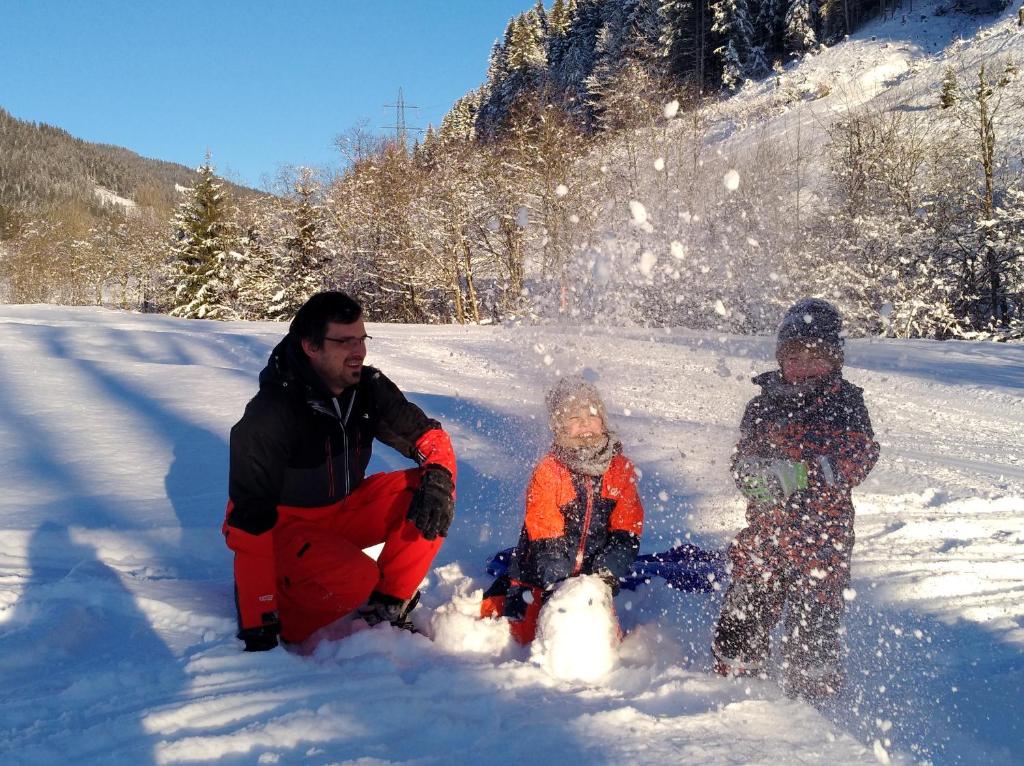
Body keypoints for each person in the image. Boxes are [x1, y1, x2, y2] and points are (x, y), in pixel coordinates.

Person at [223, 291, 457, 651]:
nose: (358, 351)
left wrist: (439, 473)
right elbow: (248, 523)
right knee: (357, 578)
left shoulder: (368, 387)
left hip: (343, 511)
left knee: (434, 487)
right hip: (283, 527)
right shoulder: (272, 413)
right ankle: (290, 619)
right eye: (345, 341)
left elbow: (429, 436)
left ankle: (387, 606)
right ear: (311, 347)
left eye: (361, 339)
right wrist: (259, 621)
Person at [712, 298, 880, 699]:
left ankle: (813, 690)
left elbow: (858, 457)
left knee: (814, 626)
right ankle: (735, 676)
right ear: (781, 358)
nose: (804, 365)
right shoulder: (762, 405)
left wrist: (803, 474)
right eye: (794, 356)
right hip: (766, 537)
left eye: (816, 356)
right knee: (745, 610)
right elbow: (743, 460)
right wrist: (753, 476)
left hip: (823, 542)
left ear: (835, 359)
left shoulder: (845, 404)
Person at [480, 376, 644, 644]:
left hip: (593, 579)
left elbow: (627, 530)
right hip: (543, 576)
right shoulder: (549, 470)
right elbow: (545, 533)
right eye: (574, 417)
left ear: (603, 420)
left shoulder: (620, 469)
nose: (585, 423)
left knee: (599, 641)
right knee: (523, 636)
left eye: (592, 415)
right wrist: (560, 583)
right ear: (559, 427)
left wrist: (605, 574)